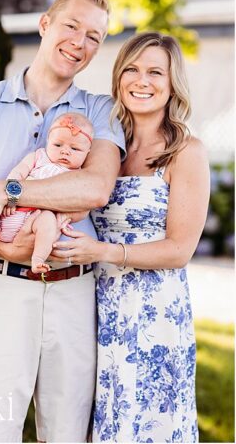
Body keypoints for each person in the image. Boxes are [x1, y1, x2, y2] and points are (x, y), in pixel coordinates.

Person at [0, 0, 125, 443]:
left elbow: (95, 188)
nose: (80, 43)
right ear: (44, 24)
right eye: (71, 26)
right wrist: (4, 247)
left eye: (94, 37)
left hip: (73, 291)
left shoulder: (102, 111)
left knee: (66, 434)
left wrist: (7, 190)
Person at [53, 32, 209, 442]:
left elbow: (180, 250)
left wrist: (102, 250)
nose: (142, 81)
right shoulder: (102, 145)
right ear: (119, 77)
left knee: (146, 425)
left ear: (172, 82)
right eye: (133, 69)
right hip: (94, 303)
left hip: (153, 312)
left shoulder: (185, 152)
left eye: (156, 71)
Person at [0, 111, 94, 278]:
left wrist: (66, 216)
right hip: (6, 214)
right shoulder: (38, 157)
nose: (65, 152)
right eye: (58, 145)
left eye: (75, 148)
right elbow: (17, 174)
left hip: (34, 221)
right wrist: (10, 198)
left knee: (48, 221)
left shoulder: (79, 176)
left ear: (88, 152)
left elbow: (83, 205)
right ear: (48, 142)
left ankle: (38, 258)